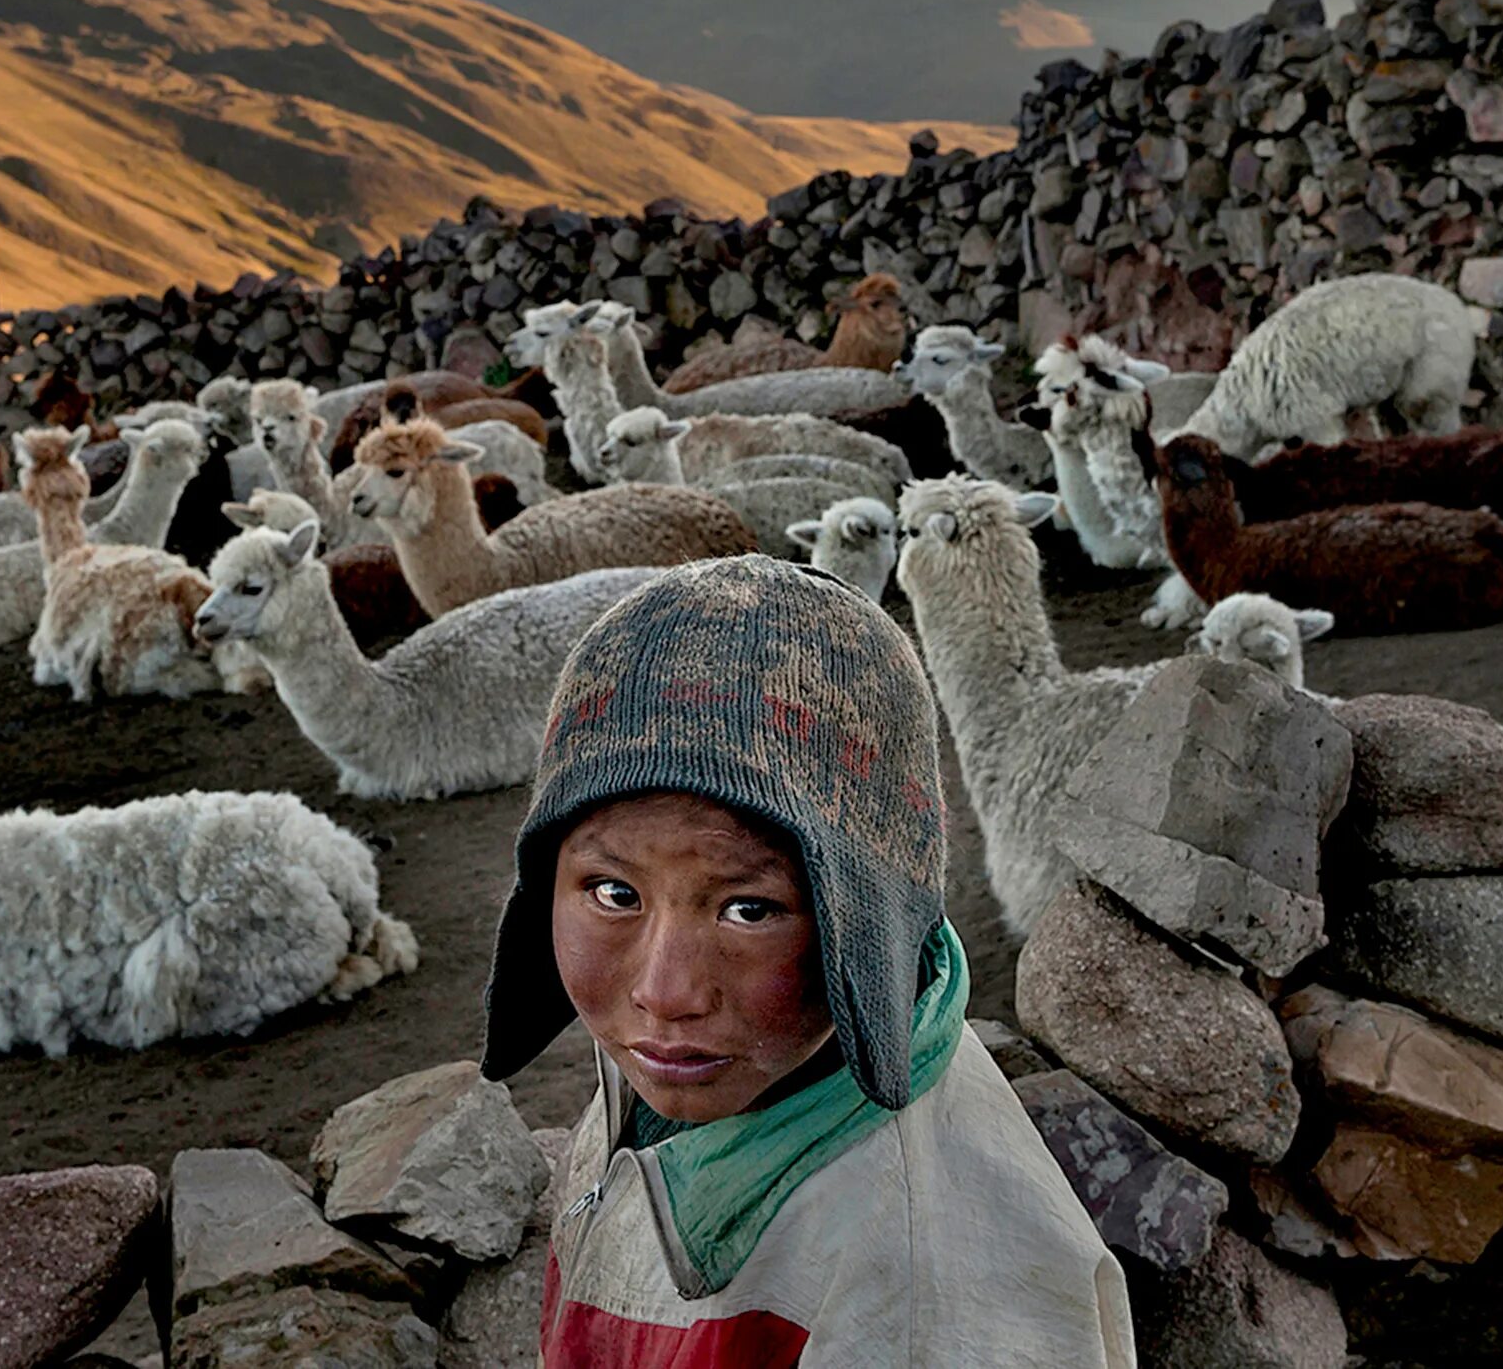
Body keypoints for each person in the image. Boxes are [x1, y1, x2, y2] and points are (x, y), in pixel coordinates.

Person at [480, 555, 1136, 1366]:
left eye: (748, 910)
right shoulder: (686, 1068)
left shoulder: (920, 1298)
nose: (664, 990)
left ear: (866, 923)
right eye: (614, 893)